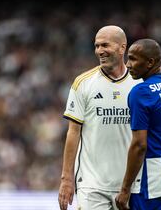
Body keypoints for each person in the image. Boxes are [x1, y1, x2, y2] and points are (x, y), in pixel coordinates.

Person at [58, 25, 143, 210]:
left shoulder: (140, 84)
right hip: (92, 185)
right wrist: (66, 178)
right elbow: (73, 133)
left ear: (122, 48)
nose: (99, 51)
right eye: (96, 46)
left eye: (105, 45)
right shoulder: (83, 83)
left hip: (131, 186)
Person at [116, 39, 161, 210]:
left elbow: (139, 145)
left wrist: (125, 189)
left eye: (133, 59)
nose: (128, 65)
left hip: (154, 177)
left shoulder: (141, 92)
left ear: (150, 62)